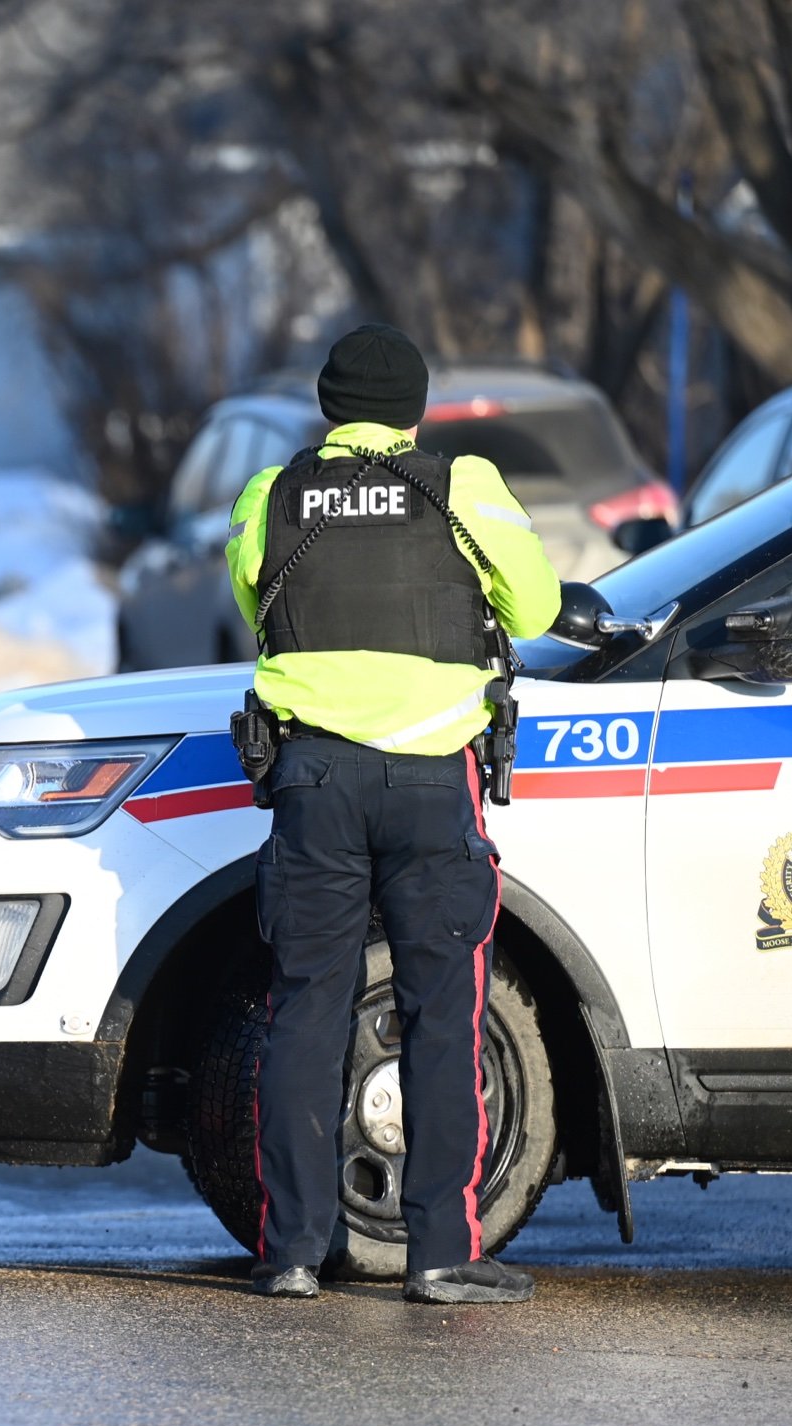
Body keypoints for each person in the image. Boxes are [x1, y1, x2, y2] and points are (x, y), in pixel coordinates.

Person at [220, 324, 562, 1305]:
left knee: (306, 1015)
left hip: (312, 781)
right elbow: (533, 611)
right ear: (416, 408)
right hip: (428, 784)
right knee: (440, 1016)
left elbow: (255, 602)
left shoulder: (273, 495)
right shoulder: (463, 487)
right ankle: (440, 1256)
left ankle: (290, 1252)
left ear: (326, 407)